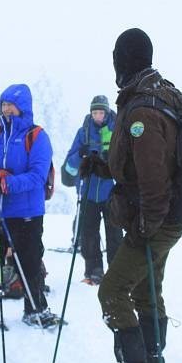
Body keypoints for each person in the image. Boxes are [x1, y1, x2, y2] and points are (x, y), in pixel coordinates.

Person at [97, 28, 182, 363]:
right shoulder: (160, 93)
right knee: (145, 292)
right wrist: (103, 165)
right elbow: (144, 163)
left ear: (125, 61)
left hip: (155, 221)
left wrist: (143, 228)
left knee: (112, 292)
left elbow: (153, 178)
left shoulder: (142, 113)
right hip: (164, 219)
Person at [0, 84, 60, 328]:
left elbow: (37, 176)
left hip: (26, 212)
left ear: (23, 107)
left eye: (11, 104)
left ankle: (35, 309)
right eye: (4, 104)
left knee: (30, 262)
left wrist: (5, 183)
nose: (6, 109)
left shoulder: (37, 136)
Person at [64, 95, 123, 285]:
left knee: (114, 233)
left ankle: (116, 270)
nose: (98, 116)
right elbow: (70, 166)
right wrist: (80, 155)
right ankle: (94, 270)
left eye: (101, 112)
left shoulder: (117, 131)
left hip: (111, 192)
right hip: (88, 192)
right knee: (89, 234)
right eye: (94, 112)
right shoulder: (84, 132)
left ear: (106, 112)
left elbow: (125, 160)